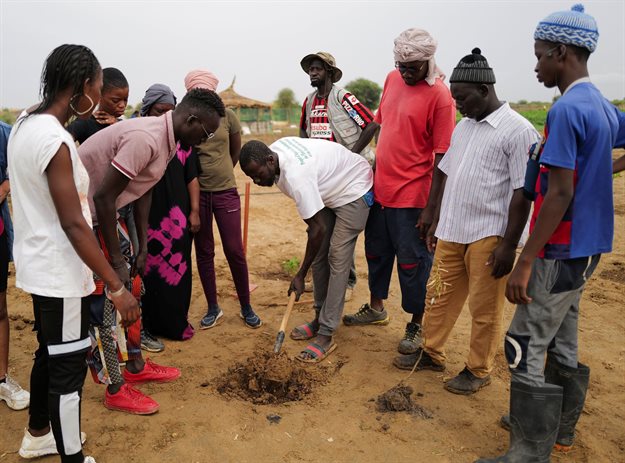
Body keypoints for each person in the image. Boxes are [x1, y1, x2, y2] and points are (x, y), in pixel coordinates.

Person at [477, 5, 625, 462]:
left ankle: (528, 450)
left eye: (540, 56)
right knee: (563, 337)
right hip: (587, 248)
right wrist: (601, 174)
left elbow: (557, 193)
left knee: (523, 343)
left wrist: (525, 261)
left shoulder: (565, 111)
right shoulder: (601, 104)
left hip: (558, 249)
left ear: (561, 52)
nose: (536, 65)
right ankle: (558, 428)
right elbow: (576, 179)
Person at [9, 43, 139, 463]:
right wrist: (117, 288)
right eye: (99, 87)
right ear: (84, 85)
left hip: (35, 263)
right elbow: (74, 223)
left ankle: (37, 434)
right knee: (68, 375)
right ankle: (73, 457)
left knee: (50, 353)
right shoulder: (56, 141)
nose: (100, 98)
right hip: (61, 272)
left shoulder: (24, 124)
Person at [393, 49, 541, 395]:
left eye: (462, 98)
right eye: (455, 97)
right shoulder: (465, 128)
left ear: (484, 91)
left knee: (484, 307)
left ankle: (478, 369)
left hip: (490, 233)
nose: (457, 105)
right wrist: (432, 216)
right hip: (453, 228)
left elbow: (524, 192)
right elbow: (443, 172)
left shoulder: (518, 131)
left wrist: (509, 243)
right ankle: (432, 352)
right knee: (439, 295)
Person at [78, 88, 224, 415]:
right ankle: (115, 386)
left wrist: (141, 245)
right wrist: (115, 261)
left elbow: (143, 188)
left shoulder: (169, 140)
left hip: (110, 214)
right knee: (106, 300)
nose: (206, 139)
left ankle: (135, 364)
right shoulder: (145, 138)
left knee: (133, 285)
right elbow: (101, 198)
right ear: (191, 120)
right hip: (87, 217)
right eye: (207, 132)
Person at [341, 28, 456, 356]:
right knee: (376, 252)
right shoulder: (393, 79)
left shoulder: (440, 96)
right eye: (400, 65)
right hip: (381, 188)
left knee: (413, 261)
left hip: (413, 197)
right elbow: (378, 123)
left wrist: (432, 211)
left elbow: (443, 156)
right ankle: (376, 308)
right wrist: (350, 155)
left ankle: (418, 323)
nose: (405, 72)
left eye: (412, 67)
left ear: (427, 61)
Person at [240, 137, 373, 362]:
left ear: (270, 160)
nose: (256, 180)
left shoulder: (296, 177)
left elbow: (317, 228)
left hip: (355, 188)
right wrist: (307, 265)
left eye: (257, 174)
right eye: (251, 177)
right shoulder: (276, 155)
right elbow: (316, 229)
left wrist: (301, 274)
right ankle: (319, 318)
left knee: (337, 256)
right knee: (319, 255)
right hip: (331, 191)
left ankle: (326, 334)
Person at [185, 70, 262, 330]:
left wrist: (224, 171)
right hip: (197, 195)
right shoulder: (188, 119)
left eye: (207, 91)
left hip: (225, 191)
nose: (204, 96)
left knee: (234, 250)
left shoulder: (228, 117)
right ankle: (212, 308)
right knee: (204, 251)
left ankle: (246, 306)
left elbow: (235, 150)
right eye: (198, 92)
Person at [299, 51, 375, 304]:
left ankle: (349, 281)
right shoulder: (309, 102)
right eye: (310, 68)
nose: (313, 72)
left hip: (347, 177)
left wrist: (350, 158)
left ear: (330, 72)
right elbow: (303, 132)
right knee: (322, 227)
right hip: (323, 177)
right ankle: (326, 280)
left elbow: (371, 125)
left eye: (318, 68)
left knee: (342, 232)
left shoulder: (343, 98)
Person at [139, 84, 199, 342]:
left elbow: (192, 178)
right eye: (158, 110)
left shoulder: (183, 142)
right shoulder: (139, 137)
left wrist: (195, 211)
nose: (164, 115)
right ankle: (147, 327)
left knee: (178, 270)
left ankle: (176, 324)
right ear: (146, 110)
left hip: (176, 218)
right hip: (146, 217)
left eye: (169, 110)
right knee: (147, 271)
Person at [0, 121, 30, 411]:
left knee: (0, 309)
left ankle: (1, 380)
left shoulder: (6, 134)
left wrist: (5, 186)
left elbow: (23, 167)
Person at [67, 67, 129, 143]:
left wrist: (117, 127)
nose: (122, 105)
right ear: (99, 96)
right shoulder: (85, 123)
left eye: (125, 100)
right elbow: (60, 142)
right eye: (115, 100)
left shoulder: (124, 125)